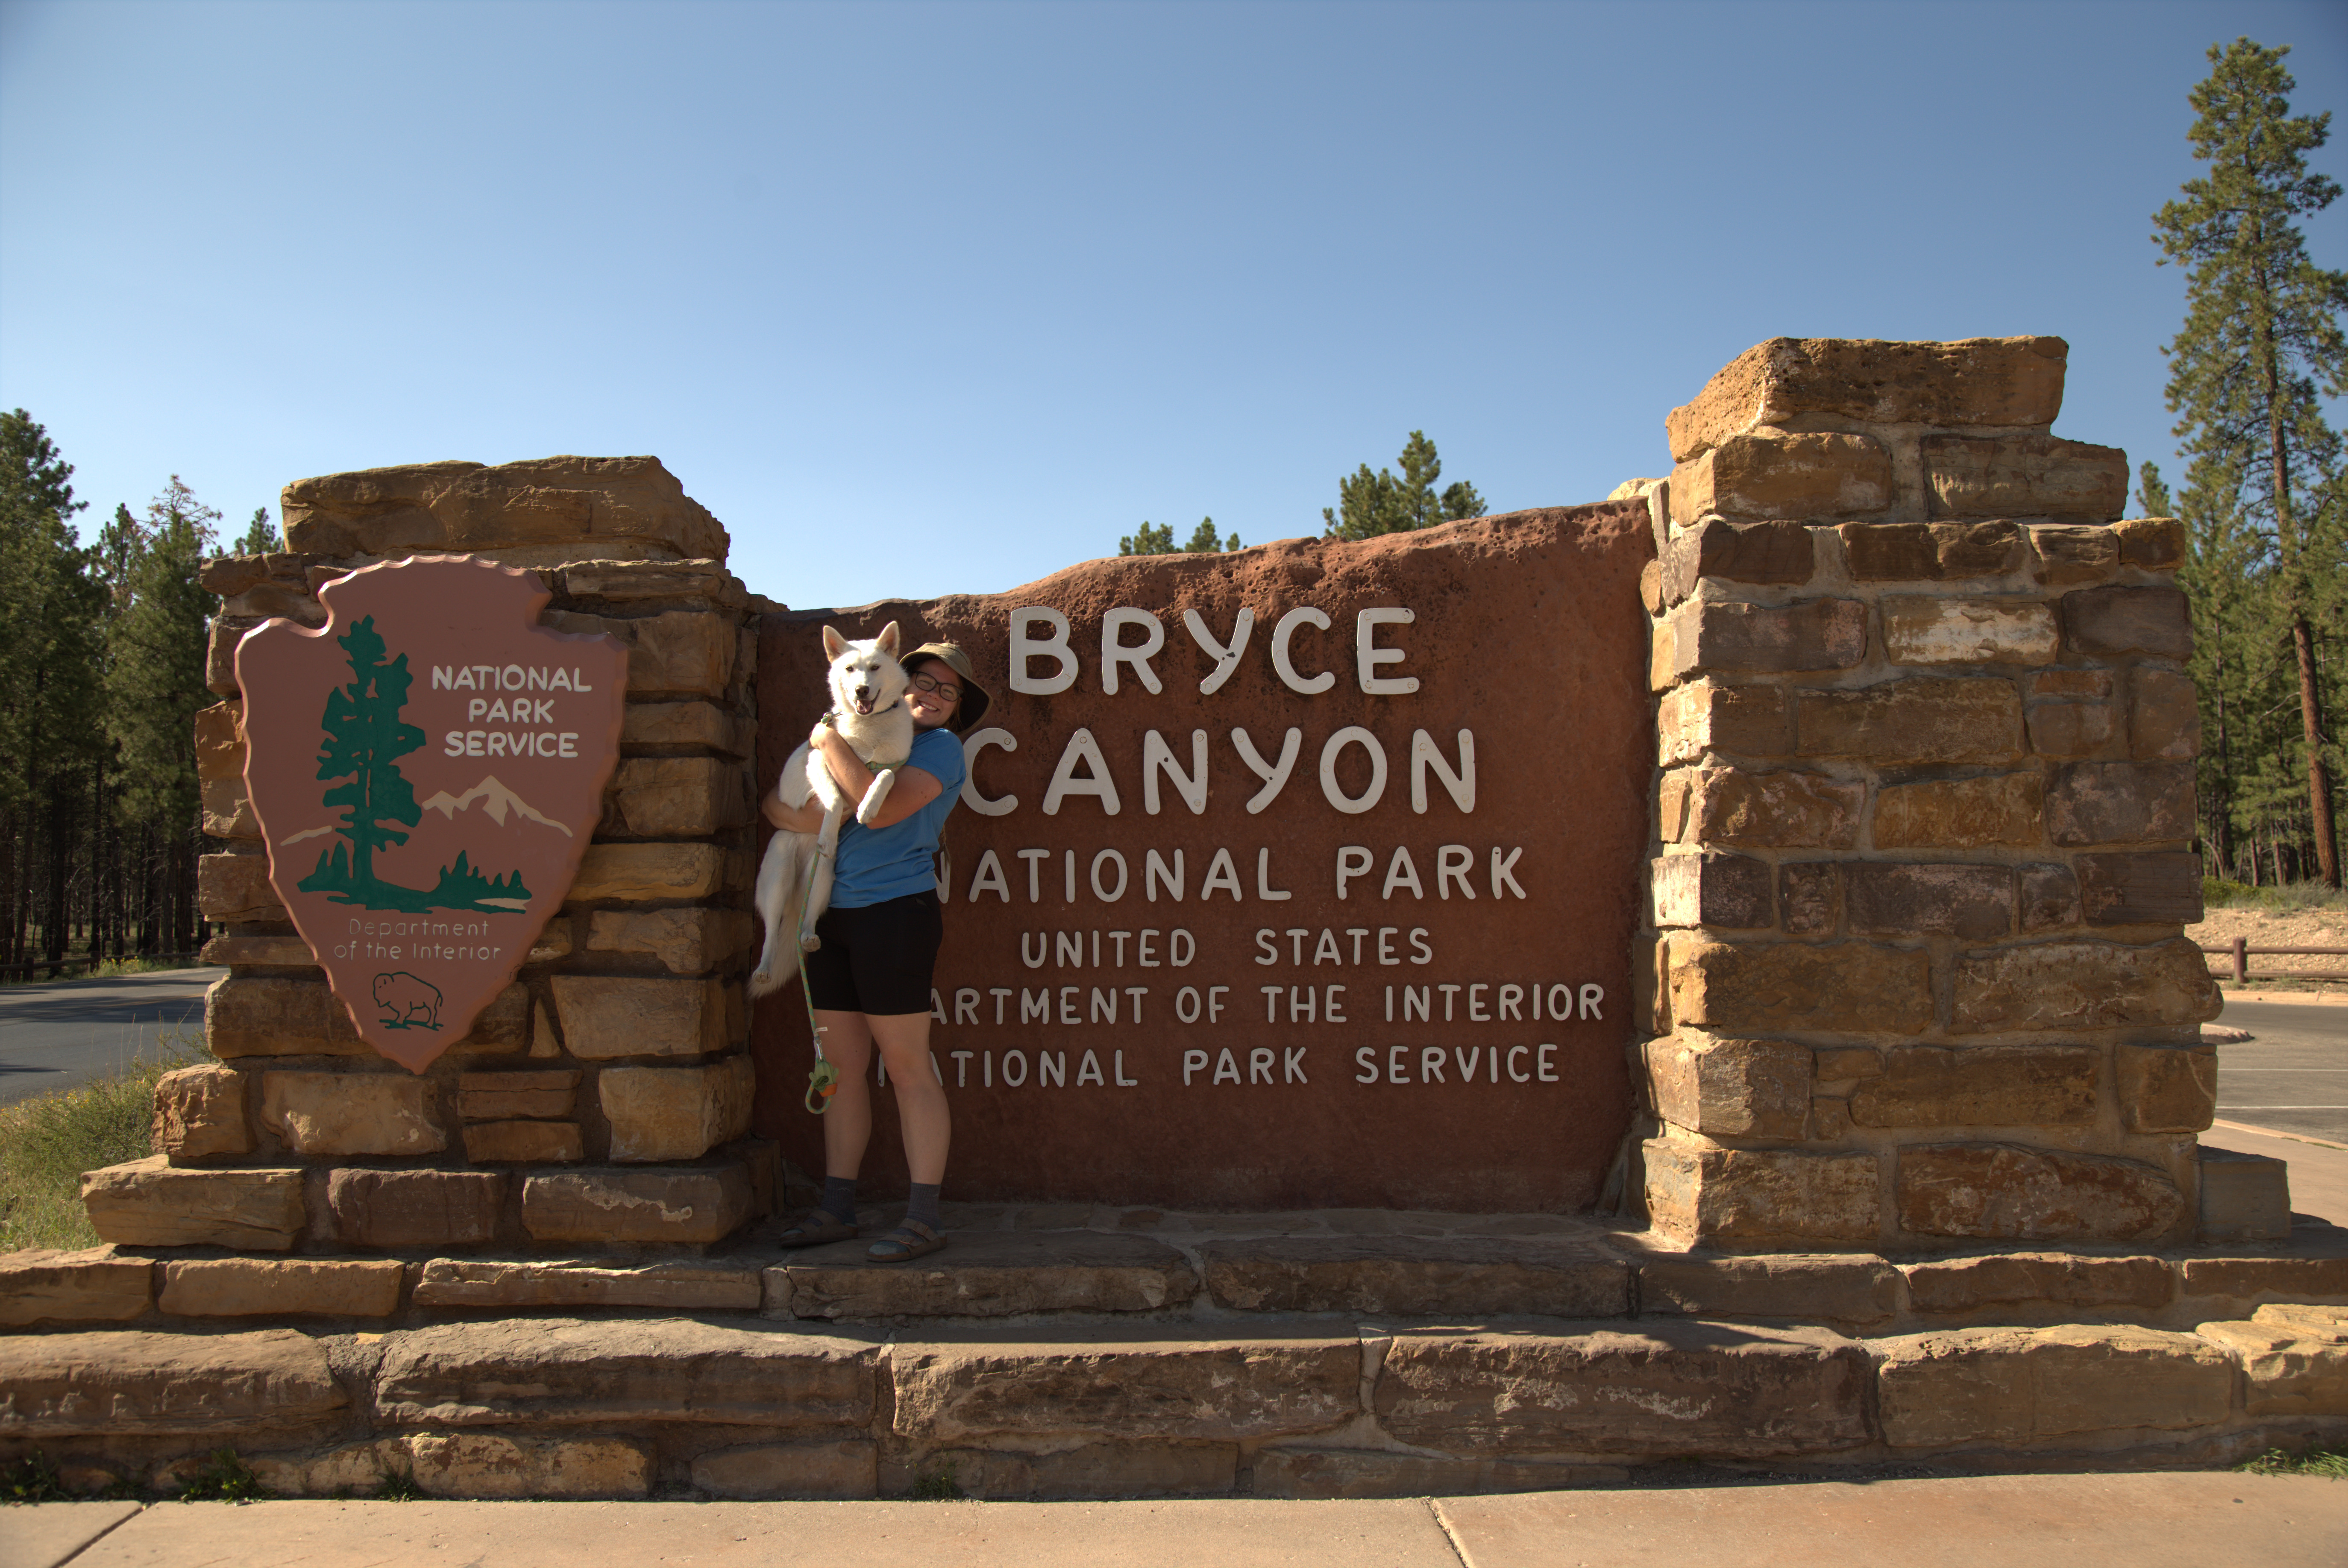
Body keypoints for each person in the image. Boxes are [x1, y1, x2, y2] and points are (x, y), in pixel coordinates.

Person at [762, 639, 991, 1263]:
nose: (935, 696)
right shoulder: (860, 732)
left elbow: (879, 807)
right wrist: (813, 804)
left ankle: (922, 1217)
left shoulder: (940, 750)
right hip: (827, 916)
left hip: (896, 916)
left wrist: (828, 740)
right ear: (898, 680)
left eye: (951, 691)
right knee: (840, 1069)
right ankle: (837, 1207)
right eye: (926, 681)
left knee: (907, 1064)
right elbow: (783, 810)